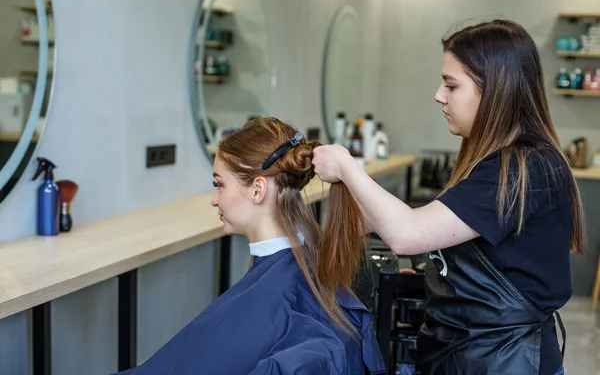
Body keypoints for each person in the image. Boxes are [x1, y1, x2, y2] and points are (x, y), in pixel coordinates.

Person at [312, 19, 584, 375]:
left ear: (494, 90)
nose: (438, 95)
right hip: (464, 353)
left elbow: (408, 234)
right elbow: (444, 229)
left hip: (503, 362)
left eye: (451, 85)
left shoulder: (524, 169)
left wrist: (347, 167)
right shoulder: (494, 161)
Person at [117, 117, 386, 375]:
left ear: (258, 190)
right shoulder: (304, 266)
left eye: (219, 185)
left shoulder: (276, 294)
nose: (214, 199)